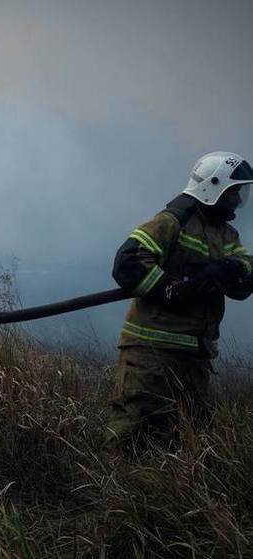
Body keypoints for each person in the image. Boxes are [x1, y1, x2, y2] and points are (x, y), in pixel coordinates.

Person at [106, 152, 253, 452]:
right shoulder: (171, 222)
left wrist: (230, 269)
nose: (239, 200)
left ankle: (162, 497)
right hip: (151, 353)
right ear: (214, 187)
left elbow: (245, 273)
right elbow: (127, 262)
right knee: (132, 433)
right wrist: (169, 288)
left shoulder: (226, 234)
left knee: (186, 438)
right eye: (234, 191)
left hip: (195, 354)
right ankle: (112, 494)